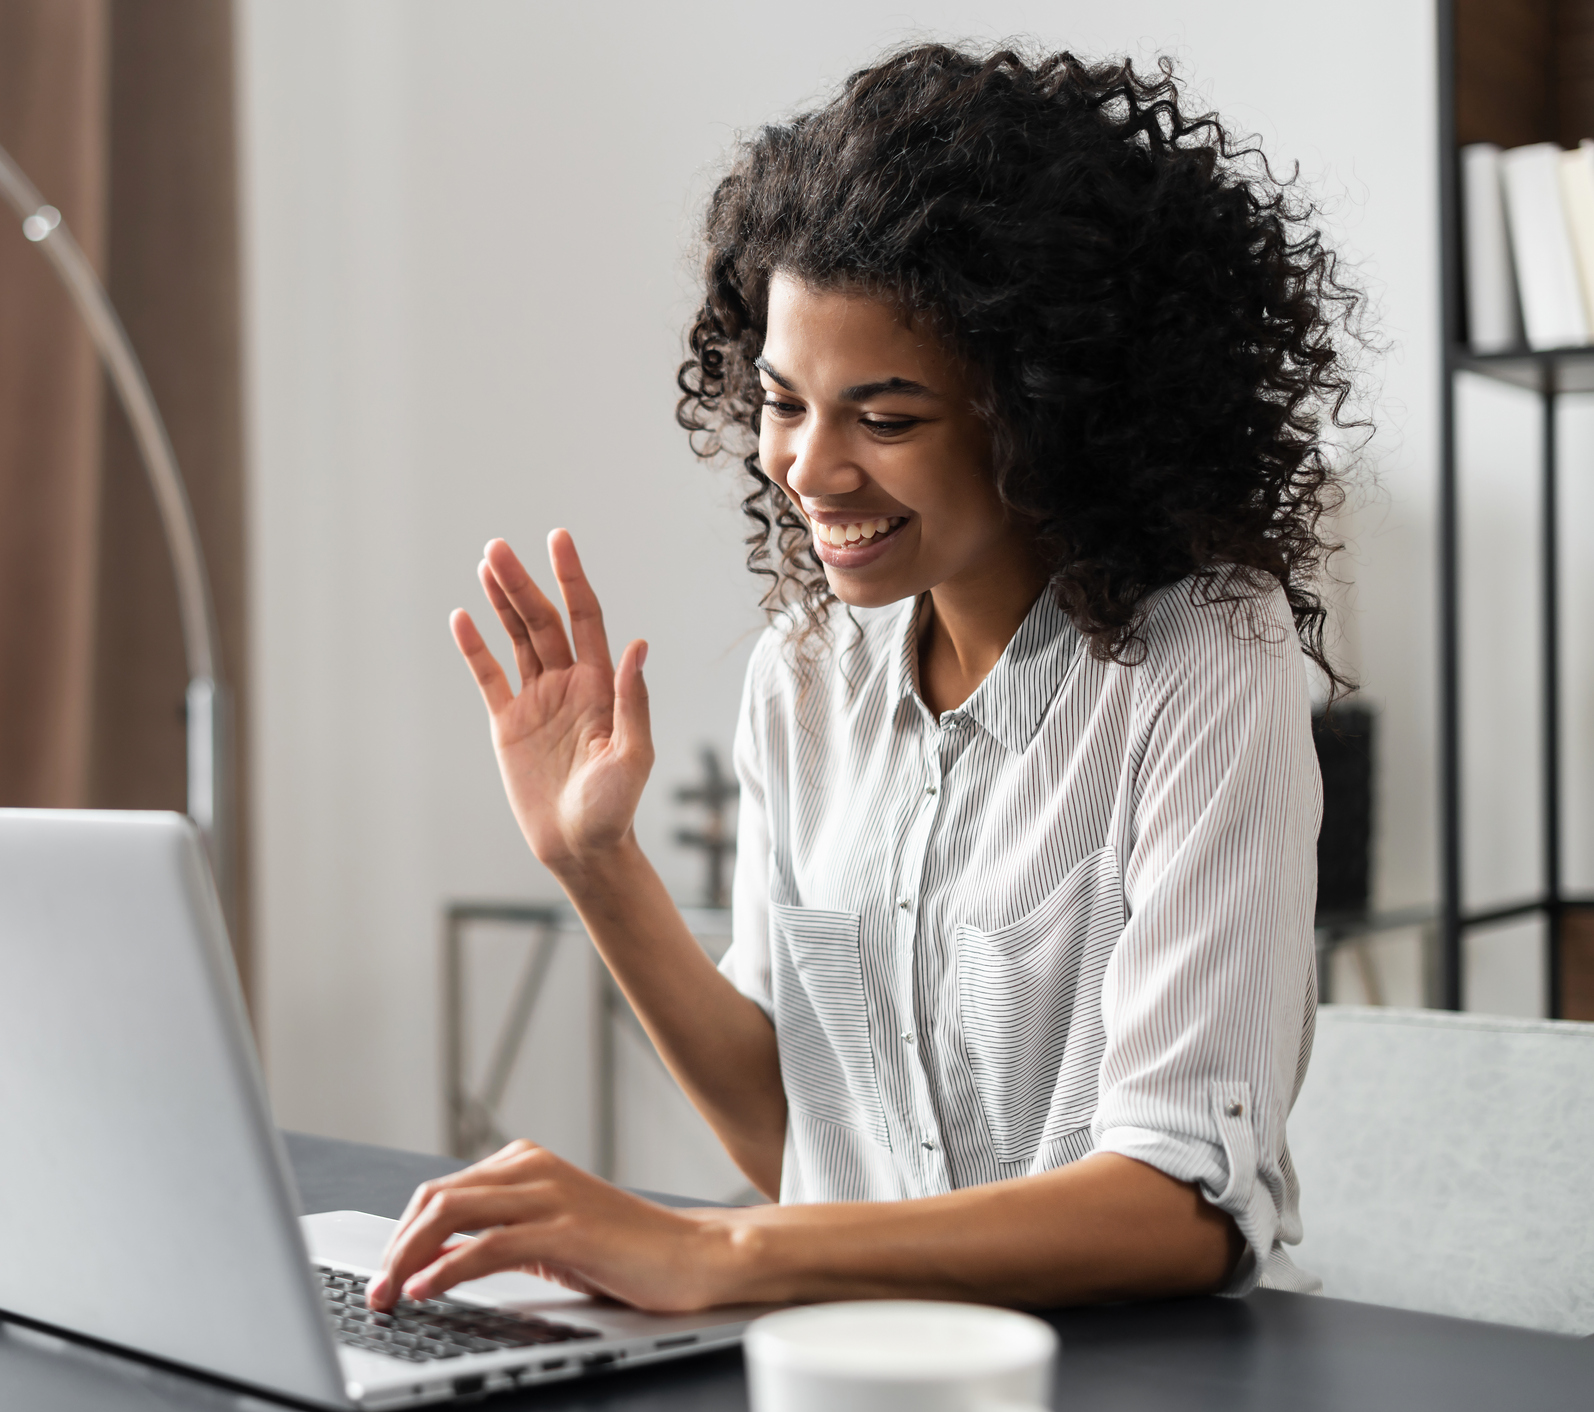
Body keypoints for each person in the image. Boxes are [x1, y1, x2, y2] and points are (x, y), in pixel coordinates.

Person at [368, 42, 1362, 1314]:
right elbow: (794, 1132)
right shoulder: (804, 673)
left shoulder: (1206, 654)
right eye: (785, 402)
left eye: (884, 418)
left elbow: (1182, 1202)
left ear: (1045, 412)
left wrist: (715, 1249)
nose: (809, 469)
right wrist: (592, 859)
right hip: (850, 1359)